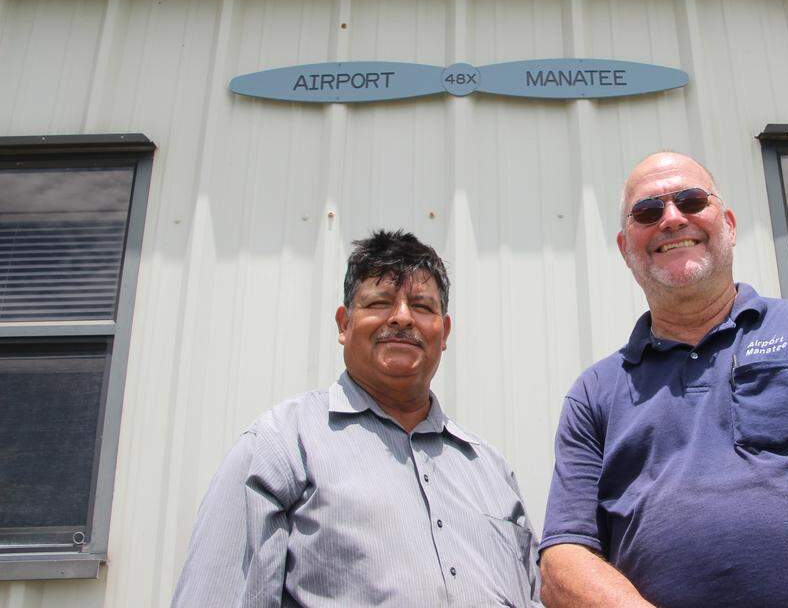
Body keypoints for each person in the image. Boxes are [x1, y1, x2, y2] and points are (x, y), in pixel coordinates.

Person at [539, 152, 788, 608]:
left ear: (728, 224)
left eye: (691, 201)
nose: (672, 219)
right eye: (648, 211)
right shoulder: (593, 393)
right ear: (625, 247)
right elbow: (562, 562)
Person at [172, 229, 539, 608]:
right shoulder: (280, 447)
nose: (402, 318)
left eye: (422, 307)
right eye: (380, 303)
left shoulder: (492, 472)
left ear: (443, 332)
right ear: (344, 325)